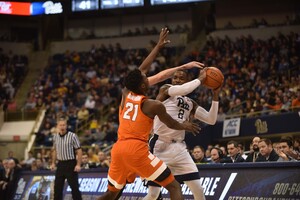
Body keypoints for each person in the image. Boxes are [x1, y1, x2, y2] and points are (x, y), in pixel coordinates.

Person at [97, 28, 202, 200]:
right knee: (174, 186)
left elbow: (142, 68)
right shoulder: (152, 105)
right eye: (145, 78)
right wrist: (185, 126)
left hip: (118, 149)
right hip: (137, 150)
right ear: (144, 86)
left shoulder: (125, 94)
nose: (147, 77)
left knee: (112, 194)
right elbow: (171, 123)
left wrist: (158, 46)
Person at [144, 68, 220, 200]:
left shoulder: (190, 103)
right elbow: (184, 90)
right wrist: (201, 79)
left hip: (179, 148)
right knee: (153, 194)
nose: (177, 80)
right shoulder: (165, 89)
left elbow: (211, 119)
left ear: (187, 80)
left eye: (181, 78)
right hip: (159, 145)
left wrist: (215, 95)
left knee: (198, 190)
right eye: (175, 78)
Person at [50, 116, 83, 200]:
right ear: (57, 126)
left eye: (64, 125)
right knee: (57, 188)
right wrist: (53, 163)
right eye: (60, 125)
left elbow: (79, 150)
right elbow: (54, 150)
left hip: (71, 163)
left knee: (74, 187)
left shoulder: (72, 136)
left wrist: (78, 164)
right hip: (60, 164)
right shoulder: (55, 137)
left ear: (66, 126)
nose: (62, 127)